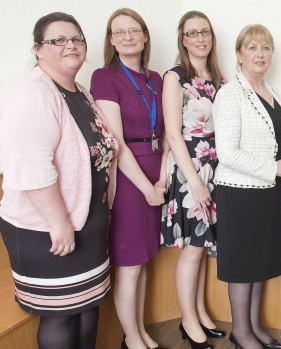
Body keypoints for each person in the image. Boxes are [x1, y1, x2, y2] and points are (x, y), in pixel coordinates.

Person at [0, 12, 118, 349]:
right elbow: (31, 168)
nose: (71, 45)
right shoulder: (32, 94)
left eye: (77, 39)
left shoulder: (79, 92)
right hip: (47, 229)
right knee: (61, 316)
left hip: (88, 224)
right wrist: (59, 222)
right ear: (38, 49)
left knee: (87, 307)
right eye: (59, 40)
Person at [213, 24, 281, 349]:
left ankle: (255, 327)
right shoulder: (231, 93)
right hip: (240, 193)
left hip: (268, 191)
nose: (260, 54)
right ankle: (241, 333)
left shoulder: (269, 90)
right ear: (239, 55)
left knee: (259, 262)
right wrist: (273, 168)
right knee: (242, 266)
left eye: (265, 48)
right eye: (252, 48)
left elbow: (276, 137)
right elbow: (228, 152)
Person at [90, 8, 165, 349]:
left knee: (144, 258)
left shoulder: (157, 79)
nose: (126, 36)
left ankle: (142, 332)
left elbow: (166, 133)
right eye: (118, 32)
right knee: (130, 263)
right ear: (110, 41)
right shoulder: (104, 77)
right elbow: (116, 143)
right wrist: (148, 188)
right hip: (130, 177)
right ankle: (132, 339)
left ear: (145, 36)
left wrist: (162, 179)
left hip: (155, 171)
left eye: (133, 30)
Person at [160, 10, 226, 349]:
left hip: (214, 167)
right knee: (192, 249)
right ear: (182, 39)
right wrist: (195, 182)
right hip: (190, 171)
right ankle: (188, 319)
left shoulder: (217, 76)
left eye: (205, 32)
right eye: (192, 33)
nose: (200, 38)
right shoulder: (175, 76)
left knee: (201, 248)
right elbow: (173, 134)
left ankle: (199, 312)